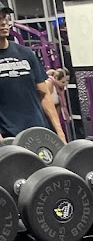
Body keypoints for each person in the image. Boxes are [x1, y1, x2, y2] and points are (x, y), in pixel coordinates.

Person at [0, 8, 66, 143]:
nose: (3, 23)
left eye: (5, 17)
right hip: (9, 138)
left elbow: (44, 95)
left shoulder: (26, 53)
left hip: (39, 133)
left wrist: (60, 133)